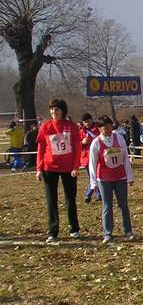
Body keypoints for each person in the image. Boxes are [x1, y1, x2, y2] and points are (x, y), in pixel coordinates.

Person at [36, 98, 81, 243]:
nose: (53, 112)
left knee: (70, 198)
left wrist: (76, 166)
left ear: (63, 111)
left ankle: (74, 228)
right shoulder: (45, 126)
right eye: (51, 109)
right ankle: (53, 230)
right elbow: (41, 149)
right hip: (49, 167)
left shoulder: (72, 126)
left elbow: (77, 148)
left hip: (68, 168)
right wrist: (39, 168)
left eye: (56, 109)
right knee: (51, 200)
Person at [87, 115, 134, 243]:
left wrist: (129, 176)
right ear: (99, 129)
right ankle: (107, 233)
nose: (108, 130)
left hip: (120, 177)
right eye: (105, 128)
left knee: (123, 205)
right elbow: (92, 163)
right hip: (104, 179)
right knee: (107, 205)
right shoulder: (96, 143)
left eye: (109, 127)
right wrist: (93, 183)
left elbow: (125, 158)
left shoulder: (119, 139)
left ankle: (128, 231)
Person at [79, 113, 101, 202]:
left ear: (91, 120)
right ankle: (97, 194)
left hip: (97, 156)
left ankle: (90, 194)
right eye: (85, 122)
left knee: (96, 176)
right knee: (92, 177)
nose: (87, 123)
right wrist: (82, 143)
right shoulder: (81, 132)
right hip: (86, 158)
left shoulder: (98, 129)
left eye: (88, 121)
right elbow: (76, 145)